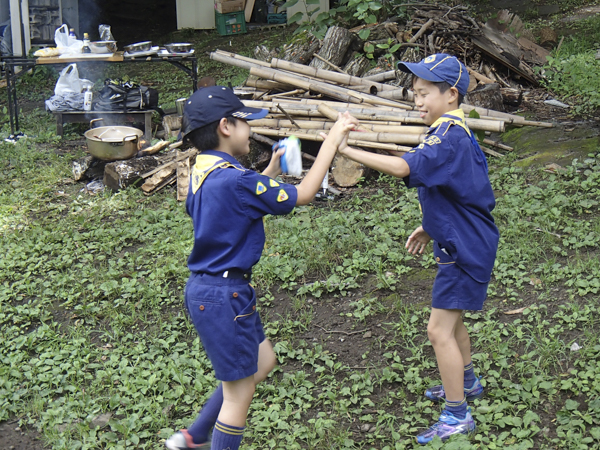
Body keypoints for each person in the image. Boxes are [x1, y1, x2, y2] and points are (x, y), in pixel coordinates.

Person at [165, 86, 358, 450]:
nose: (249, 130)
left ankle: (194, 436)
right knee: (239, 397)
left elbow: (230, 198)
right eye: (244, 123)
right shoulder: (239, 181)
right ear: (225, 126)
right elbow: (303, 194)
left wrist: (269, 169)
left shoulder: (202, 174)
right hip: (225, 296)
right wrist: (332, 140)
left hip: (210, 291)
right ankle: (199, 439)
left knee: (262, 361)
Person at [337, 54, 499, 444]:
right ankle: (468, 382)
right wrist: (430, 226)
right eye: (414, 94)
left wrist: (345, 150)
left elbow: (403, 168)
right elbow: (462, 192)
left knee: (438, 330)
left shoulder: (447, 137)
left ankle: (457, 415)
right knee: (454, 323)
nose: (417, 101)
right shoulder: (455, 132)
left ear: (451, 94)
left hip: (463, 249)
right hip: (462, 239)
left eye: (424, 93)